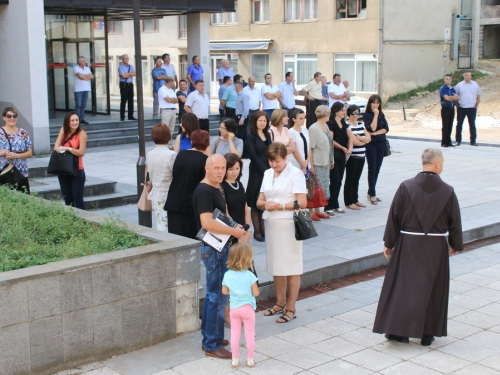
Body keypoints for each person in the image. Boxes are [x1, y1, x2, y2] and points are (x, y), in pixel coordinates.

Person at [373, 148, 463, 346]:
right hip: (436, 246)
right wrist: (455, 243)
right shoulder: (447, 191)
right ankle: (427, 333)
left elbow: (394, 216)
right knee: (432, 287)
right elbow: (454, 220)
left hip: (408, 244)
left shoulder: (406, 187)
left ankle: (399, 332)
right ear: (437, 164)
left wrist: (389, 242)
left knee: (404, 286)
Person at [193, 154, 247, 359]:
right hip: (213, 249)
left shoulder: (216, 187)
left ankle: (210, 337)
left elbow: (222, 216)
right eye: (216, 168)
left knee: (215, 295)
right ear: (207, 168)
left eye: (223, 168)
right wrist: (234, 232)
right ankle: (212, 345)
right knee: (217, 295)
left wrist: (236, 226)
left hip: (221, 246)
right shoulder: (204, 190)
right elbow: (207, 222)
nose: (220, 171)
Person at [257, 142, 307, 323]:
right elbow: (259, 201)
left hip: (288, 224)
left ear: (285, 158)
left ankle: (291, 307)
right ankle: (280, 302)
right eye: (271, 161)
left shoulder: (295, 173)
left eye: (277, 161)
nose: (274, 164)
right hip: (272, 224)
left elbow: (302, 202)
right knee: (277, 266)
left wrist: (281, 206)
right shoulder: (267, 173)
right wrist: (267, 204)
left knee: (292, 267)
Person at [164, 130, 210, 239]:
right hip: (190, 206)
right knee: (189, 240)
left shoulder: (181, 155)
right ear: (206, 142)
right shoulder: (204, 160)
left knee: (175, 238)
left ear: (193, 141)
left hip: (173, 202)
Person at [222, 243, 259, 368]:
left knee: (235, 334)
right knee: (249, 333)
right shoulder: (250, 275)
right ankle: (250, 358)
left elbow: (224, 291)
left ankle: (235, 358)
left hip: (234, 309)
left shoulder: (227, 275)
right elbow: (256, 292)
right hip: (248, 308)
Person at [245, 111, 272, 241]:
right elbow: (253, 156)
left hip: (267, 170)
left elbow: (271, 152)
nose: (262, 123)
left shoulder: (267, 134)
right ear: (255, 121)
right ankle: (257, 231)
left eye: (264, 121)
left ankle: (263, 228)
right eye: (260, 120)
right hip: (257, 171)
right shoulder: (250, 136)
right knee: (256, 201)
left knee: (264, 199)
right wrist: (265, 171)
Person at [54, 111, 88, 209]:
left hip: (77, 170)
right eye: (72, 120)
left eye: (76, 120)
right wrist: (61, 148)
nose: (75, 122)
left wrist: (67, 148)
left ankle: (83, 222)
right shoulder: (63, 130)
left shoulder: (82, 133)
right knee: (68, 200)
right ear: (67, 122)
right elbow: (56, 147)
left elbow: (81, 152)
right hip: (64, 169)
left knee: (78, 201)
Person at [146, 124, 177, 231]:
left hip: (155, 194)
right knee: (168, 227)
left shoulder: (150, 154)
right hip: (168, 195)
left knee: (160, 224)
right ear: (168, 136)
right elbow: (176, 174)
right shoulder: (171, 155)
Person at [325, 102, 353, 215]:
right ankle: (329, 206)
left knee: (339, 181)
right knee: (334, 180)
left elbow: (350, 137)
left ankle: (336, 204)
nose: (343, 112)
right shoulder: (331, 123)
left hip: (342, 155)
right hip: (334, 154)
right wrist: (342, 148)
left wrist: (349, 149)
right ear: (336, 111)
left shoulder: (344, 124)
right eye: (342, 110)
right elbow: (331, 140)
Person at [308, 105, 334, 221]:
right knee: (314, 187)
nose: (330, 115)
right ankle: (311, 211)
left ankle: (318, 210)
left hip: (325, 162)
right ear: (324, 114)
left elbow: (330, 143)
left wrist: (331, 159)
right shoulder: (313, 128)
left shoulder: (325, 126)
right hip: (317, 162)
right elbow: (310, 148)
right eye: (328, 113)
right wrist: (311, 166)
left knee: (322, 187)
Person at [344, 105, 371, 210]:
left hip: (362, 156)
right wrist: (363, 141)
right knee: (350, 179)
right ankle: (348, 201)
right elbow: (354, 142)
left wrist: (361, 139)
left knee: (357, 179)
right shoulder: (347, 126)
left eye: (357, 113)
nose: (355, 115)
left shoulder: (361, 124)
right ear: (349, 114)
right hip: (353, 156)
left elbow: (369, 138)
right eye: (353, 113)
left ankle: (355, 199)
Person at [363, 94, 389, 205]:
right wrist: (375, 115)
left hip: (381, 143)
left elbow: (386, 129)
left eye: (377, 103)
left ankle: (370, 191)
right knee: (372, 168)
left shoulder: (381, 114)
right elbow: (371, 127)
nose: (375, 105)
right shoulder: (367, 115)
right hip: (371, 145)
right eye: (373, 102)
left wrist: (375, 133)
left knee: (377, 168)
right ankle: (372, 194)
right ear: (370, 103)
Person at [0, 107, 33, 193]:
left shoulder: (23, 132)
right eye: (9, 116)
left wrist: (16, 156)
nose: (12, 118)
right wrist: (1, 153)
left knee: (25, 200)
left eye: (14, 116)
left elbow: (30, 153)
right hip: (4, 172)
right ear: (4, 118)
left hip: (21, 173)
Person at [221, 153, 251, 228]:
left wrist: (247, 225)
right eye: (231, 169)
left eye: (237, 168)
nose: (235, 172)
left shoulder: (239, 184)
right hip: (230, 227)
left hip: (243, 227)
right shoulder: (221, 186)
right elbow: (225, 211)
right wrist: (235, 227)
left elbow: (245, 206)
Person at [455, 71, 481, 146]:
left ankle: (473, 141)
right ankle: (458, 141)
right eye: (467, 75)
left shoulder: (475, 85)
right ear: (464, 76)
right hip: (461, 108)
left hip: (472, 108)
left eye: (470, 75)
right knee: (459, 124)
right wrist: (457, 106)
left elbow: (478, 96)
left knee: (472, 125)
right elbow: (456, 96)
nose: (469, 77)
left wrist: (476, 106)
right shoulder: (459, 85)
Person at [288, 108, 311, 175]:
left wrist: (308, 160)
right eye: (300, 118)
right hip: (297, 164)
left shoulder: (305, 130)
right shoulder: (291, 132)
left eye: (304, 118)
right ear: (294, 119)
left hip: (306, 163)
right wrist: (302, 164)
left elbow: (309, 146)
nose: (303, 120)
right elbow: (294, 150)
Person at [439, 74, 458, 148]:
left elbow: (457, 97)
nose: (448, 80)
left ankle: (449, 141)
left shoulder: (452, 89)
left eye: (449, 79)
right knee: (445, 126)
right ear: (444, 80)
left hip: (451, 108)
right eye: (446, 79)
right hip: (445, 109)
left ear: (451, 80)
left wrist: (451, 98)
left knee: (450, 125)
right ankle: (444, 142)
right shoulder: (443, 89)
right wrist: (452, 97)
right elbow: (446, 98)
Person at [158, 77, 178, 146]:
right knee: (165, 128)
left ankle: (169, 144)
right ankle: (163, 144)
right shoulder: (162, 89)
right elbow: (168, 100)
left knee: (171, 129)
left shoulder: (171, 90)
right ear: (171, 81)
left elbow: (176, 100)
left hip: (173, 110)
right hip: (166, 110)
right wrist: (171, 100)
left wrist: (171, 99)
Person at [73, 56, 93, 125]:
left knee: (83, 105)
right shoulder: (76, 68)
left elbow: (91, 76)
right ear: (79, 62)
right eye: (83, 61)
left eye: (85, 60)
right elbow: (80, 76)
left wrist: (84, 76)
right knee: (78, 105)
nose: (85, 62)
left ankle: (82, 119)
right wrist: (86, 76)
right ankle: (77, 120)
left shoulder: (87, 68)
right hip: (78, 89)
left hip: (86, 89)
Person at [118, 54, 137, 121]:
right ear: (122, 59)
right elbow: (123, 76)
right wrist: (130, 74)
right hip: (124, 85)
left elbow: (135, 74)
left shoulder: (131, 66)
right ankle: (122, 116)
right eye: (125, 58)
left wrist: (127, 74)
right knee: (123, 100)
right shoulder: (121, 67)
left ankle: (130, 115)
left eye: (127, 58)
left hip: (130, 84)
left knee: (131, 100)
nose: (126, 59)